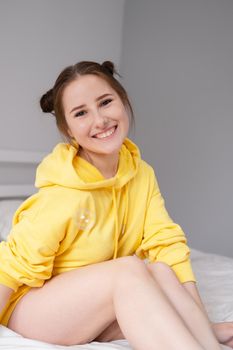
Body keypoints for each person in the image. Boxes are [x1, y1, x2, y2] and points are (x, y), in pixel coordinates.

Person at [0, 61, 232, 349]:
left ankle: (209, 340)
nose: (99, 120)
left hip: (85, 307)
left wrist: (200, 323)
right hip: (32, 307)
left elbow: (166, 246)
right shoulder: (64, 192)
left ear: (123, 102)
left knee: (158, 272)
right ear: (68, 129)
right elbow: (11, 266)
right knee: (128, 269)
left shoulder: (141, 174)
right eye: (81, 113)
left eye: (105, 102)